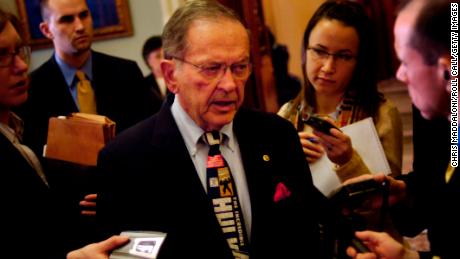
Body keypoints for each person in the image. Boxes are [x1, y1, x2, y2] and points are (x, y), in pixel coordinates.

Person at [96, 1, 324, 258]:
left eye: (239, 68)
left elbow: (306, 237)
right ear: (171, 75)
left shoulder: (277, 136)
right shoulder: (124, 159)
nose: (229, 84)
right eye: (211, 69)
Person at [0, 7, 128, 259]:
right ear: (47, 30)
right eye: (2, 55)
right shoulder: (33, 93)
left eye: (19, 51)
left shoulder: (15, 129)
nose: (21, 66)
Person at [346, 0, 457, 258]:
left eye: (406, 62)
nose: (399, 75)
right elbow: (435, 188)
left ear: (447, 71)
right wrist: (403, 193)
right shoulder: (433, 107)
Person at [278, 0, 403, 183]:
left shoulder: (382, 115)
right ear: (305, 50)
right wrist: (286, 158)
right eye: (320, 51)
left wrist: (348, 161)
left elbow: (389, 201)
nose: (328, 67)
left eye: (344, 56)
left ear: (359, 62)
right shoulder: (287, 114)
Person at [17, 0, 161, 156]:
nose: (80, 26)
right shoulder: (32, 88)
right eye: (67, 19)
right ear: (46, 30)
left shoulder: (126, 71)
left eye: (84, 15)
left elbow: (153, 131)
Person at [142, 35, 169, 102]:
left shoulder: (177, 80)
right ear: (148, 60)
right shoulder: (142, 84)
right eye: (158, 56)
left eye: (165, 55)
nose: (163, 59)